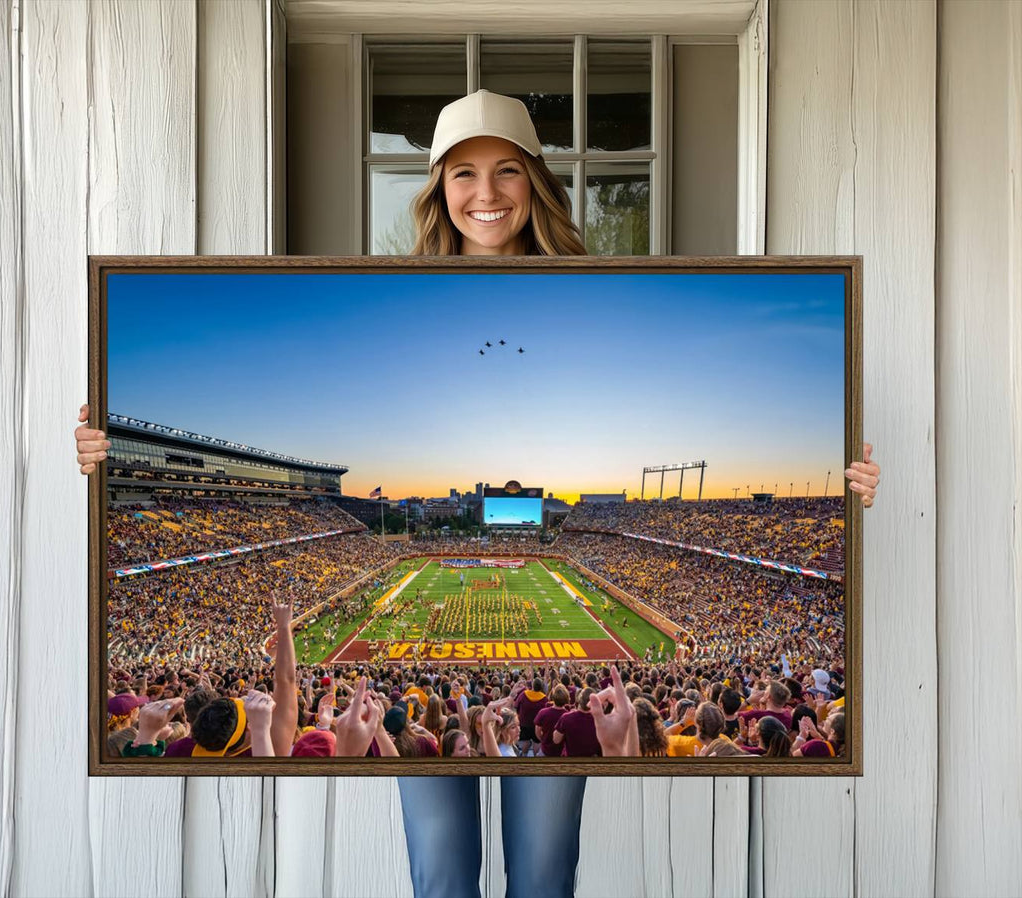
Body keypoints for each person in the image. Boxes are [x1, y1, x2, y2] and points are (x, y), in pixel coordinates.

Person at [74, 88, 882, 898]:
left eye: (506, 172)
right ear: (437, 188)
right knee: (442, 874)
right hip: (451, 718)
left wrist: (849, 489)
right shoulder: (389, 285)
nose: (485, 193)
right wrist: (103, 451)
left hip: (542, 724)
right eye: (463, 173)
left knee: (541, 875)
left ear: (535, 180)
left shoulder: (595, 286)